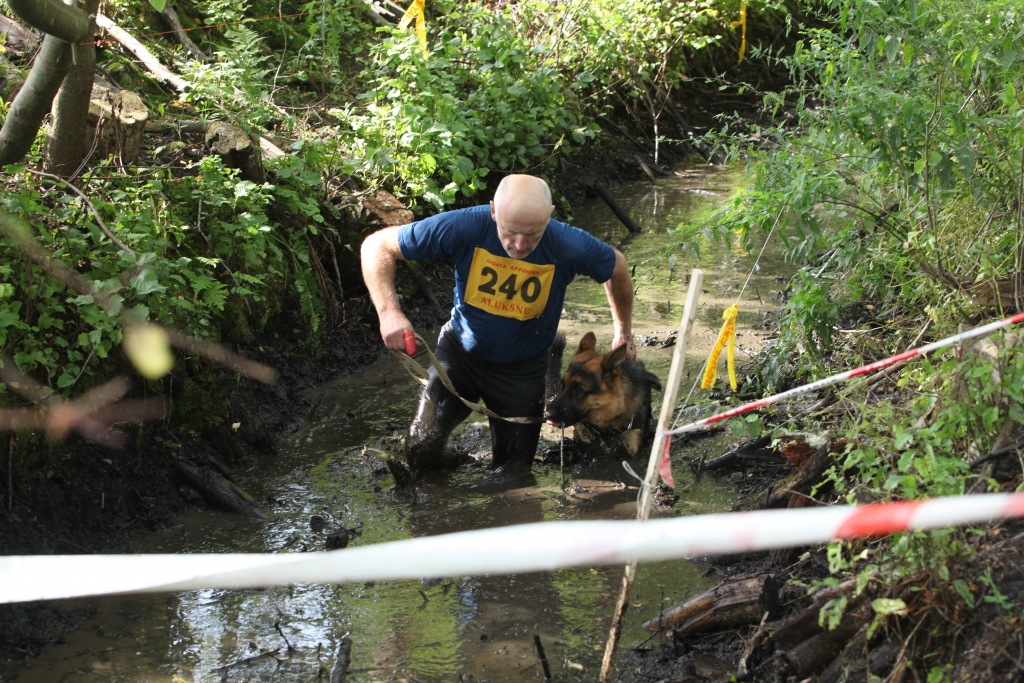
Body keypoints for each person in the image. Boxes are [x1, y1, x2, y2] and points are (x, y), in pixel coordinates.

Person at [360, 174, 636, 473]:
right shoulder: (463, 226)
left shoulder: (568, 243)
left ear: (550, 216)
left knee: (512, 474)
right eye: (510, 231)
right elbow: (377, 246)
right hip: (460, 355)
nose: (519, 245)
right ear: (493, 211)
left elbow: (616, 266)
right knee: (420, 445)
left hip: (522, 370)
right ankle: (446, 490)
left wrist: (622, 331)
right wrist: (389, 312)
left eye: (533, 234)